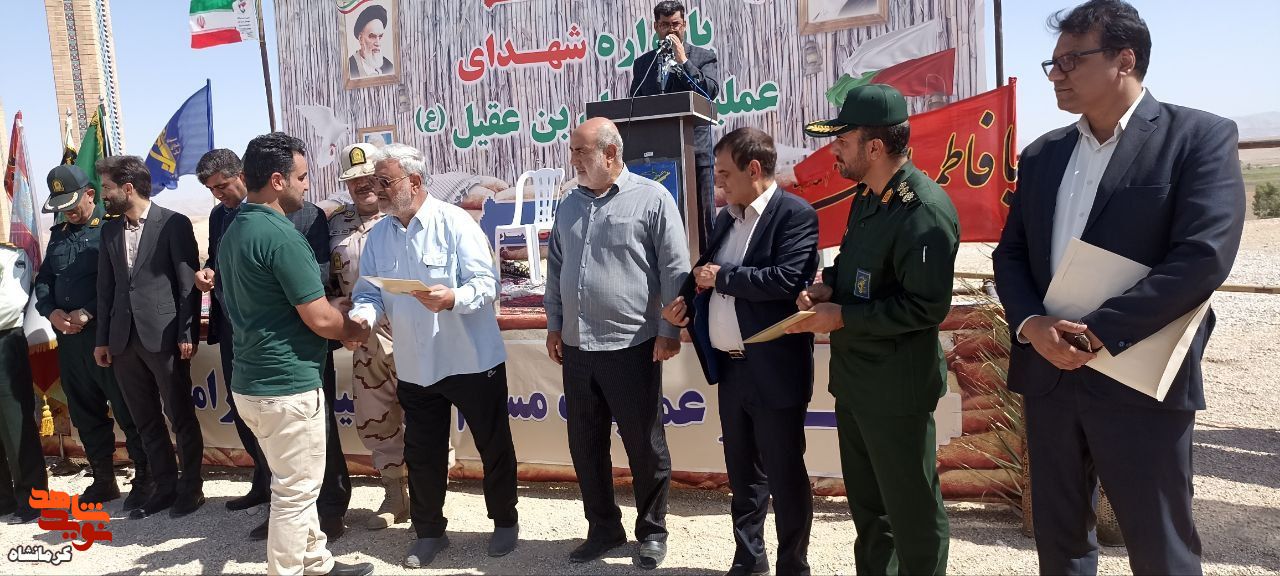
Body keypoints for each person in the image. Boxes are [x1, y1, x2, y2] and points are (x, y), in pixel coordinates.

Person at [991, 2, 1245, 574]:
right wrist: (1032, 324)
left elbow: (1202, 258)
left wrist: (1097, 332)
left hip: (1140, 375)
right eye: (1052, 64)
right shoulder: (1043, 154)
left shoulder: (1197, 137)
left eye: (1071, 61)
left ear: (1124, 59)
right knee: (1059, 542)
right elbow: (1011, 254)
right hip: (1050, 373)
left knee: (1159, 546)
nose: (1055, 76)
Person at [789, 84, 959, 576]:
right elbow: (857, 268)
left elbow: (925, 307)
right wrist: (829, 287)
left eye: (843, 140)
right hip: (857, 382)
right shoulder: (868, 195)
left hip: (897, 390)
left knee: (912, 511)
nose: (834, 150)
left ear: (876, 147)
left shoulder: (922, 210)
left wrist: (843, 317)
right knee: (870, 511)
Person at [349, 143, 519, 568]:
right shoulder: (379, 236)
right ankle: (429, 532)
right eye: (374, 182)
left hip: (471, 360)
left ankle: (504, 521)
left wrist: (453, 298)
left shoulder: (455, 221)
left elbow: (488, 284)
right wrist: (362, 319)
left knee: (493, 445)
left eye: (384, 181)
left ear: (414, 181)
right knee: (422, 454)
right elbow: (369, 292)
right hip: (415, 366)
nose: (377, 189)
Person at [661, 127, 819, 576]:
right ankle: (749, 559)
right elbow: (703, 272)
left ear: (753, 169)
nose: (719, 183)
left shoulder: (795, 215)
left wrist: (724, 278)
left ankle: (793, 566)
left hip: (775, 369)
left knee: (784, 474)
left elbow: (786, 280)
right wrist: (682, 304)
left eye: (725, 174)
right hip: (731, 372)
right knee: (743, 475)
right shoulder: (727, 218)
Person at [219, 132, 374, 576]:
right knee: (296, 493)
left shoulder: (235, 230)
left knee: (293, 484)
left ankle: (315, 562)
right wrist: (353, 328)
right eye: (302, 177)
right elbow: (320, 319)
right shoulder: (281, 237)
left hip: (252, 382)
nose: (307, 186)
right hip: (286, 385)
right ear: (277, 180)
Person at [545, 117, 689, 570]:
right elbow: (555, 267)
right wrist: (554, 324)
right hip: (577, 347)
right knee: (585, 445)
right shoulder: (569, 203)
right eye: (572, 151)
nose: (573, 160)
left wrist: (669, 331)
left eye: (580, 152)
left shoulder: (653, 198)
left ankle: (652, 531)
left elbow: (675, 270)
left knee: (644, 445)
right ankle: (603, 528)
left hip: (632, 345)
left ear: (610, 154)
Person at [93, 155, 206, 520]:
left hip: (165, 337)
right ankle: (164, 486)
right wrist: (103, 340)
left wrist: (187, 331)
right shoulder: (109, 231)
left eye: (107, 188)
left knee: (180, 415)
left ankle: (191, 488)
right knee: (145, 420)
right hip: (123, 341)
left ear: (128, 188)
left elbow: (187, 284)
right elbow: (106, 289)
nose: (103, 195)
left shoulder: (173, 223)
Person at [34, 165, 148, 510]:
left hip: (107, 336)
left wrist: (88, 312)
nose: (68, 212)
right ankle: (103, 479)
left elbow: (122, 282)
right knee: (85, 411)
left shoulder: (111, 229)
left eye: (72, 204)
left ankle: (146, 478)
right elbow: (45, 279)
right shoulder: (59, 234)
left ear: (90, 194)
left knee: (126, 408)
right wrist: (51, 311)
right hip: (70, 342)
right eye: (61, 206)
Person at [330, 143, 420, 531]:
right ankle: (395, 496)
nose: (362, 185)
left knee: (423, 416)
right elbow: (323, 281)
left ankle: (428, 495)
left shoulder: (404, 215)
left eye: (369, 177)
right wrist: (336, 312)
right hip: (366, 339)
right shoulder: (334, 225)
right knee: (375, 419)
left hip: (412, 333)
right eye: (354, 181)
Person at [195, 149, 271, 514]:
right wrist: (209, 271)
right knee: (241, 407)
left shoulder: (266, 210)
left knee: (270, 410)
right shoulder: (217, 216)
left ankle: (284, 492)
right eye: (211, 189)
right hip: (230, 326)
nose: (218, 194)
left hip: (262, 327)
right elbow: (216, 256)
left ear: (240, 175)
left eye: (222, 186)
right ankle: (263, 480)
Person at [628, 0, 720, 253]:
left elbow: (709, 92)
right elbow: (634, 103)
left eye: (675, 24)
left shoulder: (703, 56)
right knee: (663, 218)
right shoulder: (644, 64)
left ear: (684, 25)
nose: (671, 30)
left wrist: (683, 62)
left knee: (704, 217)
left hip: (695, 151)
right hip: (659, 157)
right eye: (665, 25)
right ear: (656, 27)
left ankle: (708, 265)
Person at [0, 241, 48, 524]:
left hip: (5, 341)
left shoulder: (12, 256)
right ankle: (3, 499)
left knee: (15, 423)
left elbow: (10, 303)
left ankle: (33, 497)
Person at [348, 4, 393, 78]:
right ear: (361, 39)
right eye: (372, 37)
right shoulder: (349, 68)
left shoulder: (389, 66)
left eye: (380, 37)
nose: (378, 43)